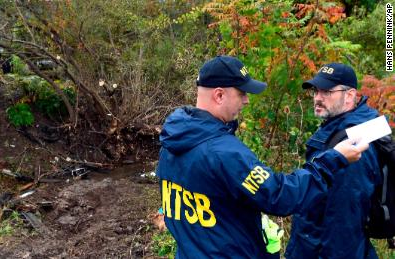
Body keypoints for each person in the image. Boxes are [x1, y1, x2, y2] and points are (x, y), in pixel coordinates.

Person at [156, 56, 369, 258]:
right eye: (242, 93)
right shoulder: (225, 153)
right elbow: (282, 196)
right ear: (219, 95)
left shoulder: (172, 141)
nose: (247, 101)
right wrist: (335, 159)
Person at [285, 63, 381, 259]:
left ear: (350, 96)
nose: (318, 98)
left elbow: (344, 221)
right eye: (316, 91)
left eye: (327, 92)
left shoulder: (353, 141)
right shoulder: (338, 128)